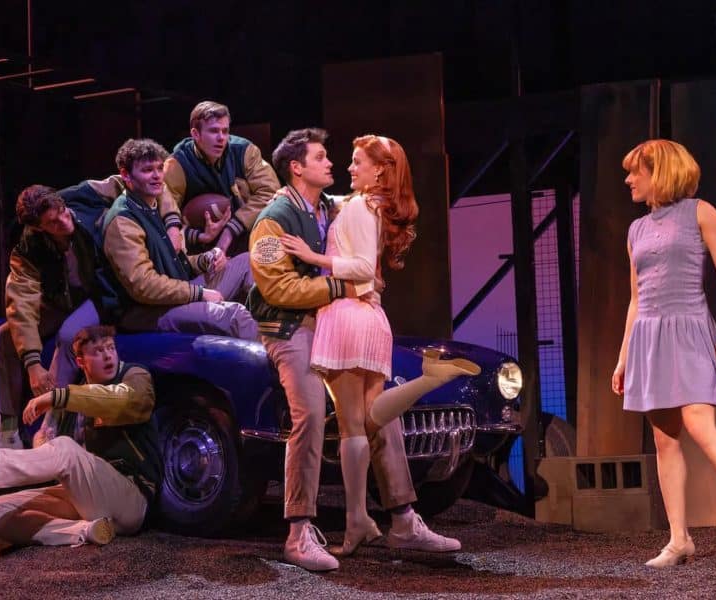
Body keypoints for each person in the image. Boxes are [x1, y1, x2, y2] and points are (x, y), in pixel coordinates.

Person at [248, 128, 461, 572]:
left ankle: (402, 517)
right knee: (308, 412)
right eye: (322, 157)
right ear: (297, 167)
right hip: (290, 326)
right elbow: (278, 287)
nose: (333, 164)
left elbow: (367, 209)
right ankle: (298, 530)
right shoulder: (273, 219)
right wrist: (343, 285)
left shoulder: (330, 206)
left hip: (330, 318)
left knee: (379, 415)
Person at [612, 139, 716, 567]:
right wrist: (623, 357)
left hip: (690, 328)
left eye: (636, 171)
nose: (629, 179)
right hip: (648, 337)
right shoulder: (635, 230)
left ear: (661, 172)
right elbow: (635, 299)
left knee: (700, 423)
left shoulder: (700, 212)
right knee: (664, 438)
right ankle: (679, 540)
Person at [0, 325, 162, 547]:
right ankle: (84, 531)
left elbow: (127, 401)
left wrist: (57, 397)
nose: (107, 355)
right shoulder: (74, 398)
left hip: (133, 499)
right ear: (81, 362)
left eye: (110, 348)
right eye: (97, 351)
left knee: (65, 448)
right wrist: (43, 444)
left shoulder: (134, 376)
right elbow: (57, 451)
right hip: (89, 497)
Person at [0, 178, 123, 448]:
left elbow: (127, 179)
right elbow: (22, 302)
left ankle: (51, 425)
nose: (63, 220)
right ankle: (7, 433)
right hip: (60, 301)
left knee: (70, 334)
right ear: (39, 228)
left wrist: (172, 219)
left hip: (99, 296)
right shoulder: (28, 247)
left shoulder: (83, 194)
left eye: (62, 211)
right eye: (53, 222)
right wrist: (32, 362)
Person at [102, 138, 256, 339]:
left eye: (159, 169)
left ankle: (273, 326)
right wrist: (199, 293)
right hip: (149, 311)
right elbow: (144, 286)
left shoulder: (152, 204)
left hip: (179, 292)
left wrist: (203, 260)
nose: (157, 176)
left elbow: (172, 262)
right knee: (234, 314)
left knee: (248, 261)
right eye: (148, 170)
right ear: (125, 175)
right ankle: (276, 365)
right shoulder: (123, 221)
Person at [160, 100, 280, 256]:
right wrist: (198, 236)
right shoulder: (177, 164)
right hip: (199, 249)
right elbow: (165, 214)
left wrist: (231, 228)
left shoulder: (245, 151)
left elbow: (270, 191)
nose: (221, 137)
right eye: (214, 131)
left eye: (225, 131)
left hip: (246, 236)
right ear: (195, 134)